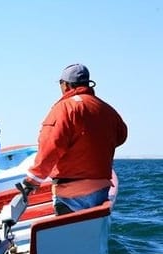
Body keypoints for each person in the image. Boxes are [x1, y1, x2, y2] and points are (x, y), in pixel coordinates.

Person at [22, 63, 127, 215]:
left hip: (70, 194)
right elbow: (121, 136)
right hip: (101, 189)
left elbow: (51, 146)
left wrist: (33, 180)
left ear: (65, 85)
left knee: (68, 233)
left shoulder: (64, 108)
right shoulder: (107, 109)